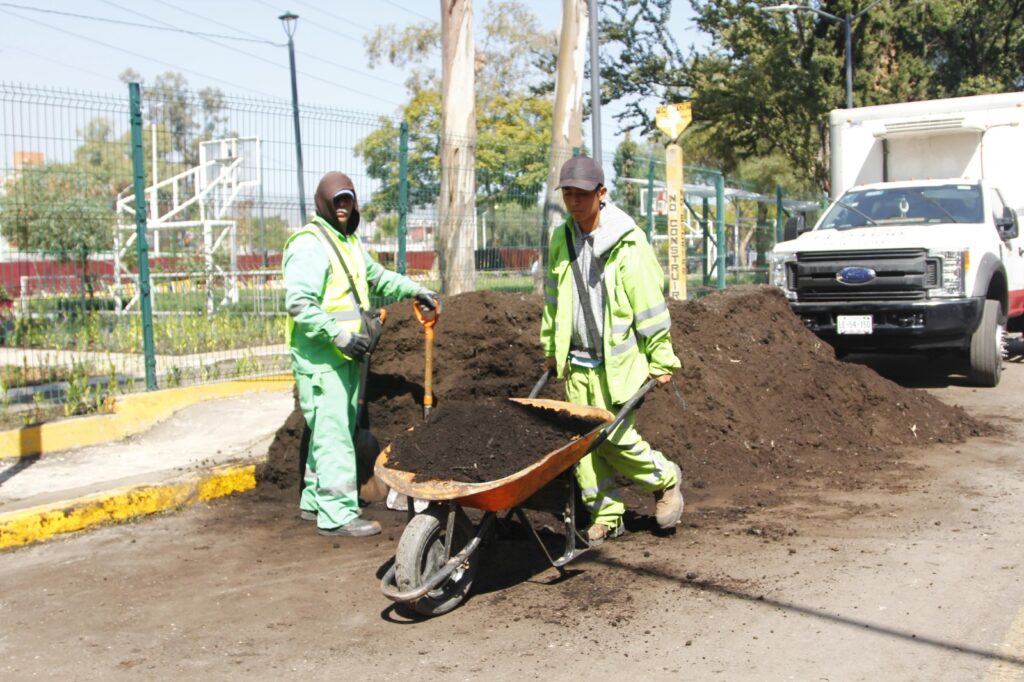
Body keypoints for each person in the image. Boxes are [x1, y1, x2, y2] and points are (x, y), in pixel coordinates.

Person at [283, 171, 440, 537]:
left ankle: (314, 500)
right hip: (323, 358)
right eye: (336, 200)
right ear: (322, 202)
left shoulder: (347, 242)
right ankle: (336, 515)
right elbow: (300, 304)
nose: (342, 207)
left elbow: (377, 276)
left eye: (347, 200)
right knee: (335, 433)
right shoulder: (309, 244)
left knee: (329, 429)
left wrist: (415, 289)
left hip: (347, 356)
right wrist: (337, 335)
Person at [540, 156, 683, 544]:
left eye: (582, 195)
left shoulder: (628, 242)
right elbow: (553, 298)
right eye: (568, 194)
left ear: (601, 194)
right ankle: (607, 512)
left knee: (614, 437)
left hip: (617, 362)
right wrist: (552, 346)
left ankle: (665, 480)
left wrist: (660, 357)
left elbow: (649, 303)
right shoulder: (561, 238)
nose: (574, 202)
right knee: (580, 447)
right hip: (577, 361)